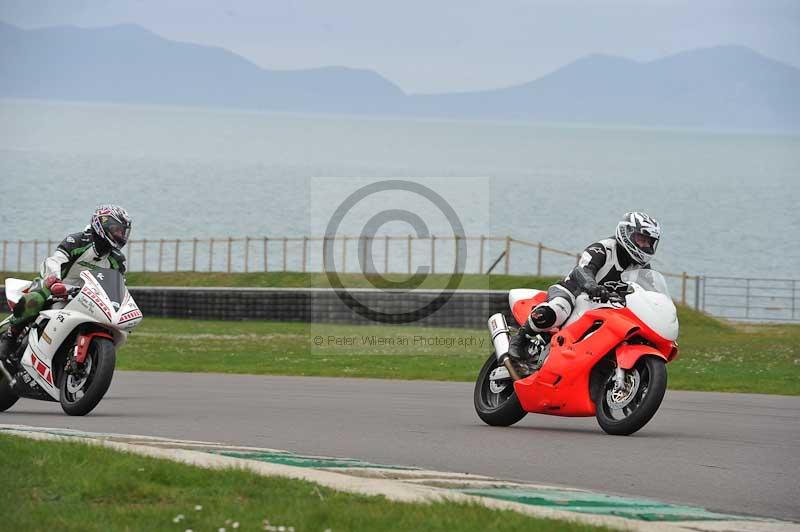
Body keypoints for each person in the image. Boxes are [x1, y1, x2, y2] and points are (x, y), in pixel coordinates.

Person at [508, 212, 661, 361]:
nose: (645, 245)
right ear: (626, 233)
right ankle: (520, 338)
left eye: (649, 242)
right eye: (641, 239)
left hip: (606, 306)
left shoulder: (643, 268)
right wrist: (591, 285)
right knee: (557, 310)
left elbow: (650, 292)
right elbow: (583, 270)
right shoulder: (603, 248)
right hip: (573, 292)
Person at [0, 205, 131, 360]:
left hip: (85, 297)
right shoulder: (77, 241)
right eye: (117, 230)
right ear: (102, 225)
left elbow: (118, 286)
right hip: (55, 286)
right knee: (36, 298)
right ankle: (10, 337)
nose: (120, 235)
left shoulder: (117, 260)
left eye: (123, 232)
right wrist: (54, 280)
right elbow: (55, 261)